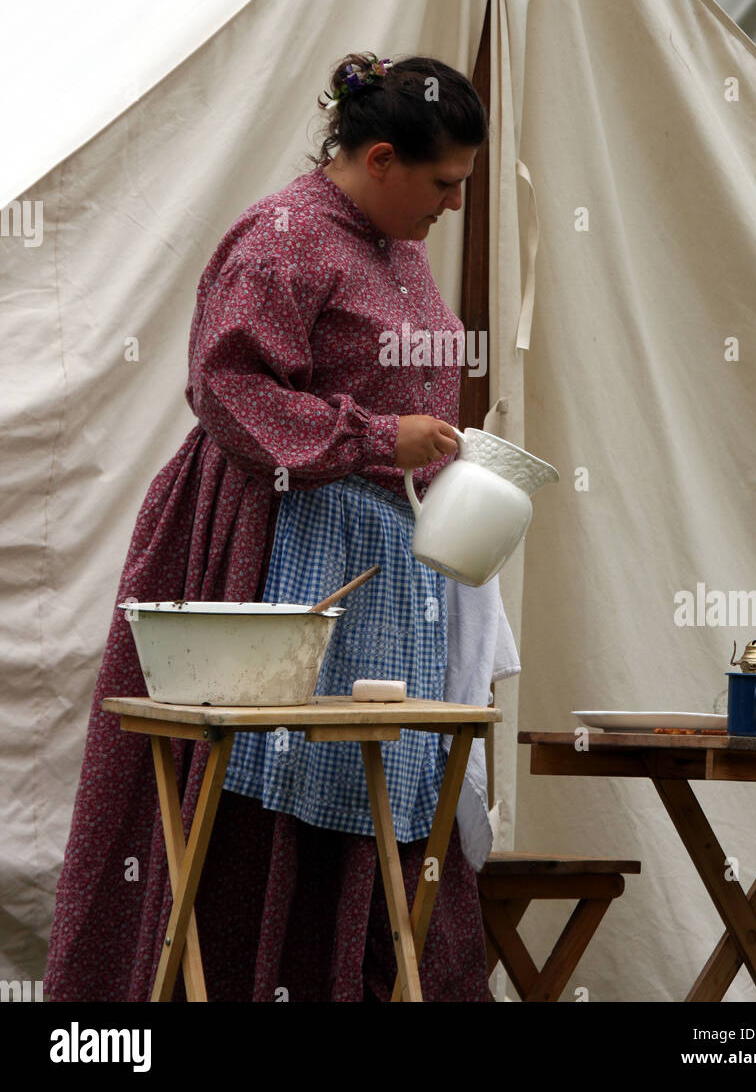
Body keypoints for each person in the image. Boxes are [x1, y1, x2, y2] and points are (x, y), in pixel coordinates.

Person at [43, 51, 494, 1002]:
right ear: (380, 159)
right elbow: (229, 390)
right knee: (266, 784)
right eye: (444, 183)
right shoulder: (283, 238)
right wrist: (376, 435)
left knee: (377, 792)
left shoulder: (398, 244)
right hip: (273, 541)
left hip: (381, 562)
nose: (453, 204)